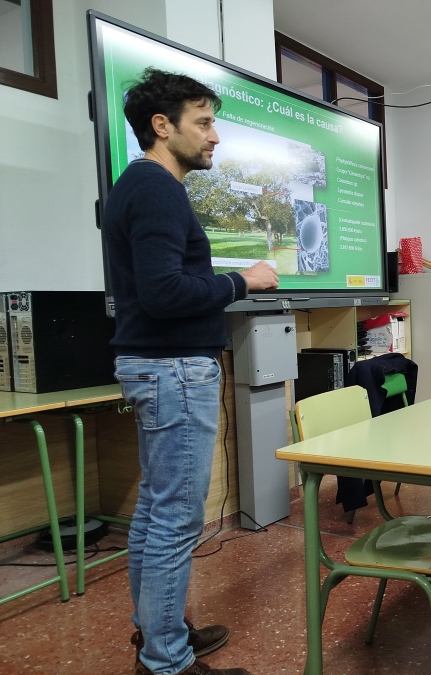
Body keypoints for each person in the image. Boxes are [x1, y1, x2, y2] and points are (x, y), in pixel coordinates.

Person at [104, 68, 278, 675]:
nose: (215, 136)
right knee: (175, 519)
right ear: (162, 125)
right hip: (174, 370)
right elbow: (165, 293)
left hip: (160, 369)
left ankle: (160, 633)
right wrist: (242, 280)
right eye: (203, 123)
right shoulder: (157, 189)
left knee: (157, 512)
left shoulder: (140, 185)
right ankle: (166, 662)